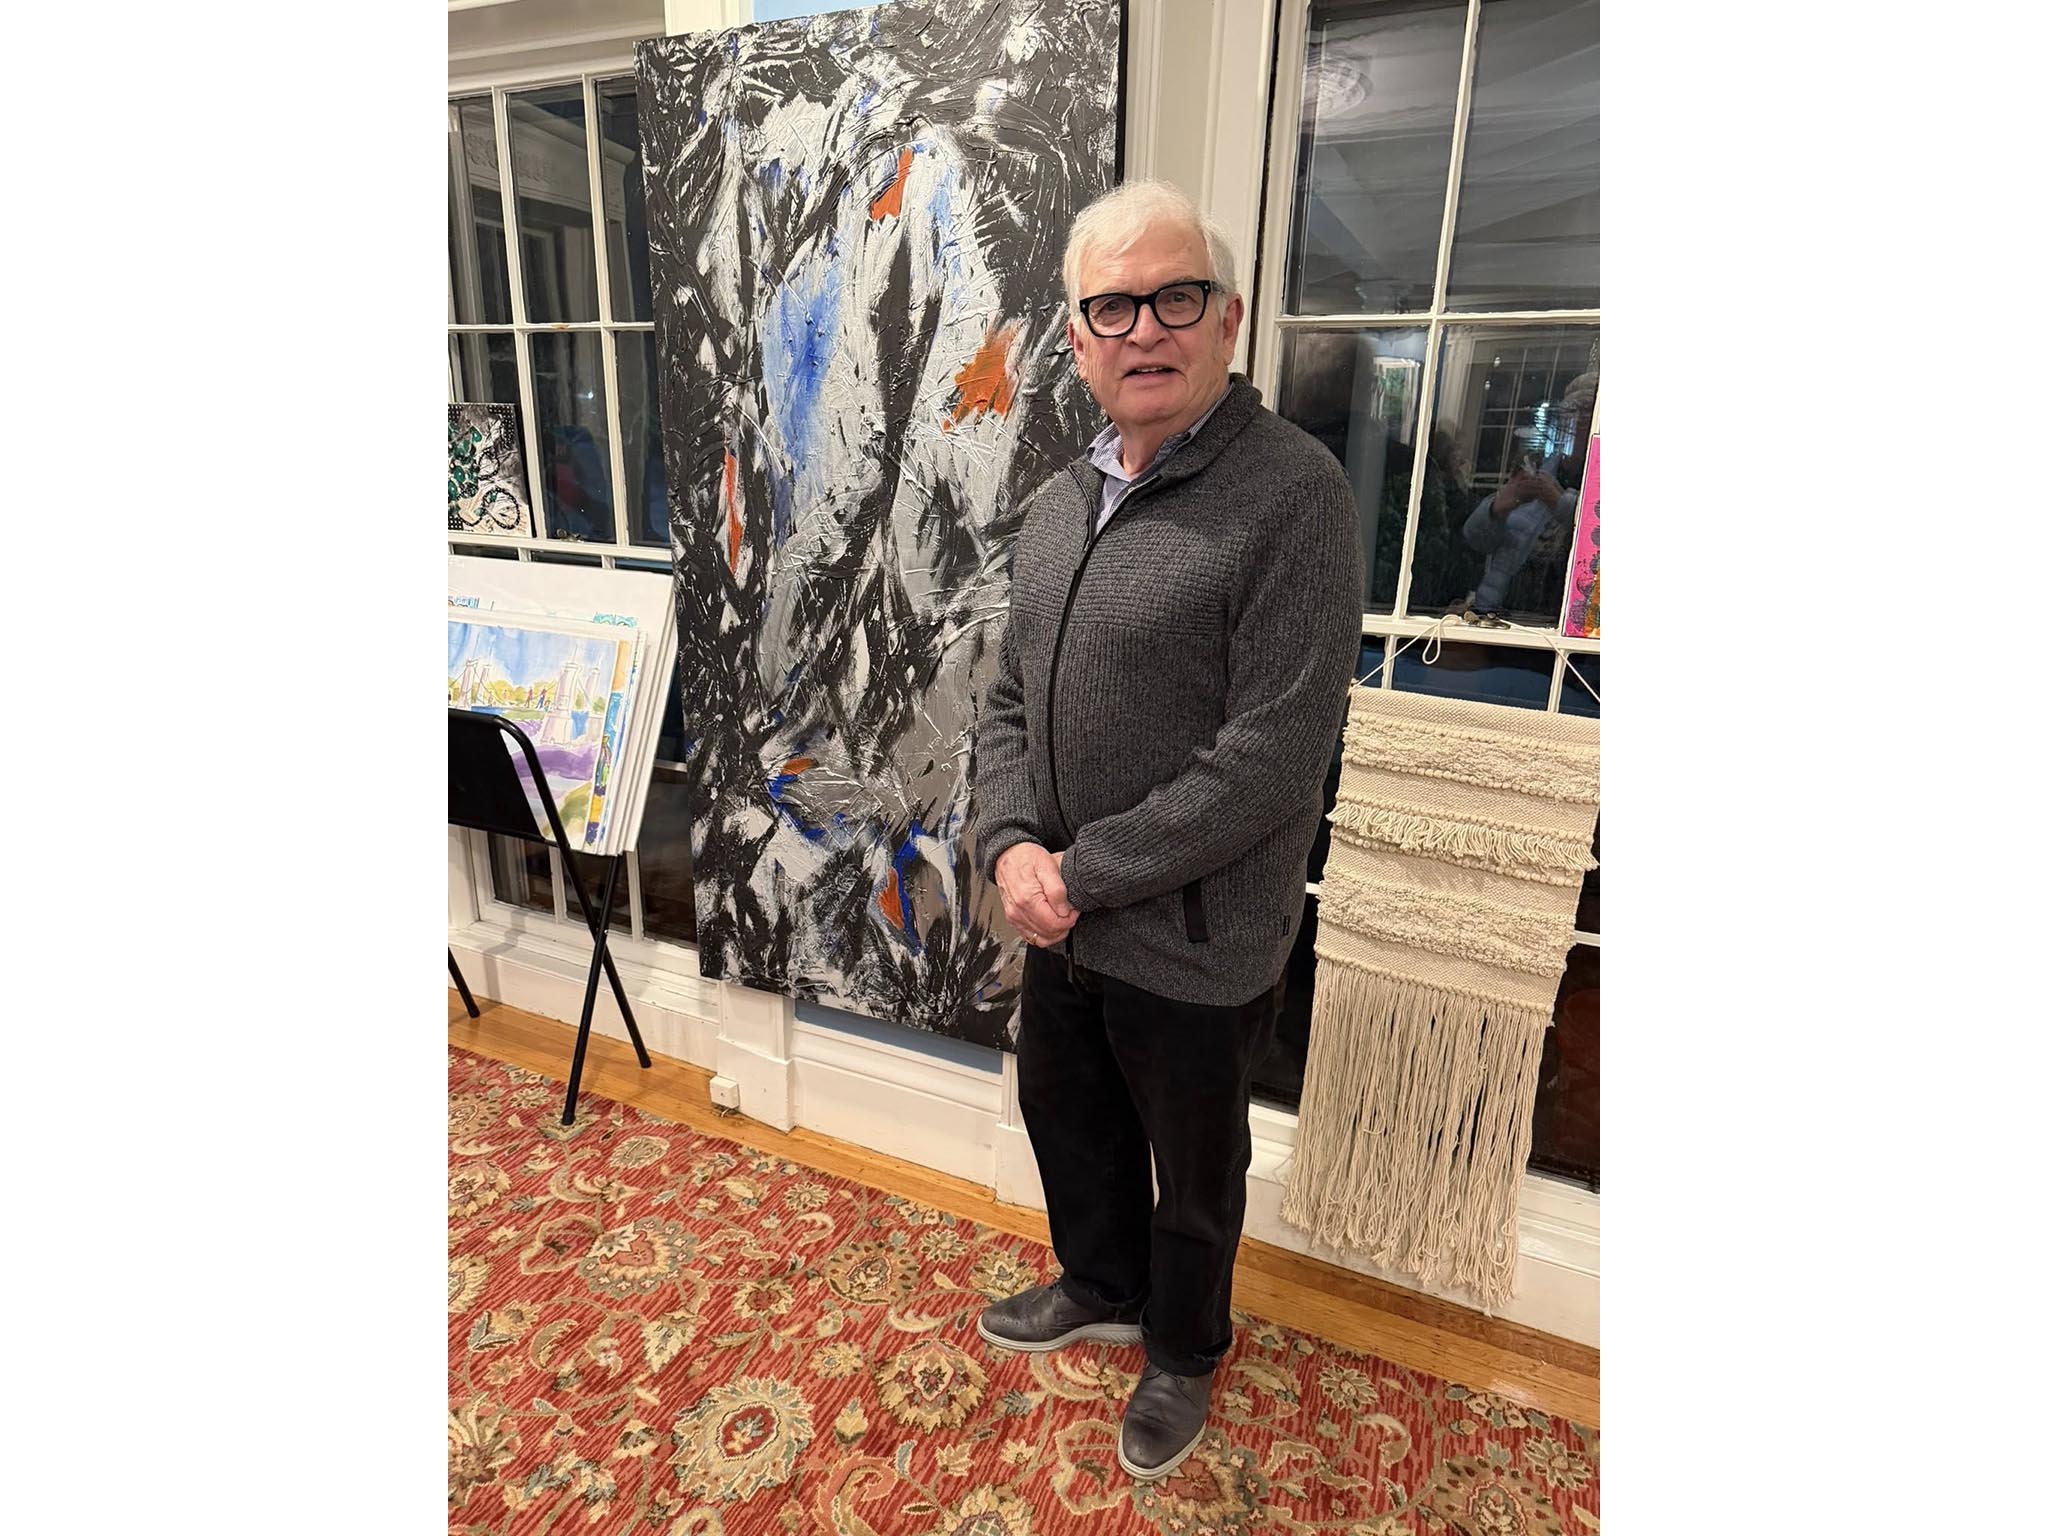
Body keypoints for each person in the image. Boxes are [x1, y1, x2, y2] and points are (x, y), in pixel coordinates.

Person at [969, 180, 1364, 1481]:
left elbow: (1271, 757)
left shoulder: (1293, 495)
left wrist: (1079, 872)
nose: (1146, 328)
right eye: (1113, 306)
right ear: (1077, 339)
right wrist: (1009, 845)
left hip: (1196, 935)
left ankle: (1185, 1347)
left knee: (1194, 1172)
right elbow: (1011, 697)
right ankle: (1099, 1282)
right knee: (1066, 1113)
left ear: (1227, 318)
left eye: (1176, 297)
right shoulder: (1057, 503)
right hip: (1062, 913)